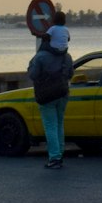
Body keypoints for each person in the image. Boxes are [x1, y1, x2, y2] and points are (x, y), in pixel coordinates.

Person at [28, 25, 73, 169]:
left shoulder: (40, 56)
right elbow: (70, 74)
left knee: (50, 126)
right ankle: (60, 153)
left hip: (47, 95)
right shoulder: (66, 56)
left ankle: (54, 157)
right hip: (63, 93)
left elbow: (33, 75)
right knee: (59, 124)